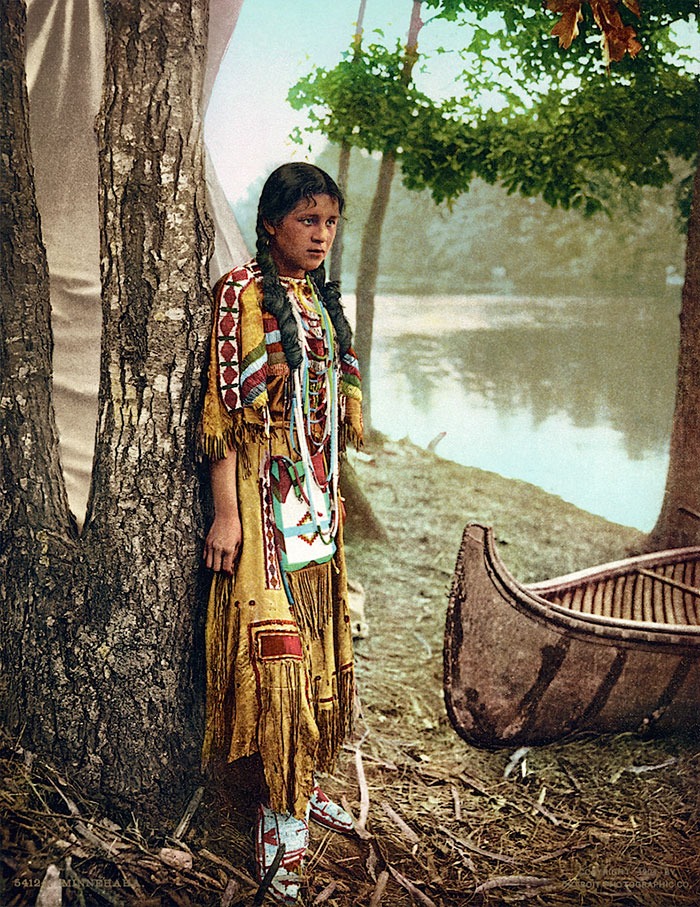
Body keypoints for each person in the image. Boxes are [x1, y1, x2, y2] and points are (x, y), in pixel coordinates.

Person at [198, 163, 363, 903]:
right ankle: (280, 819)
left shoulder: (322, 301)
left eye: (329, 221)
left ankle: (303, 783)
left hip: (313, 504)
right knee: (280, 659)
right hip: (262, 505)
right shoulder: (242, 291)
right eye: (307, 220)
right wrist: (226, 512)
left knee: (323, 648)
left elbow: (327, 412)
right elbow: (226, 410)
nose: (321, 234)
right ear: (272, 223)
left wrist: (331, 492)